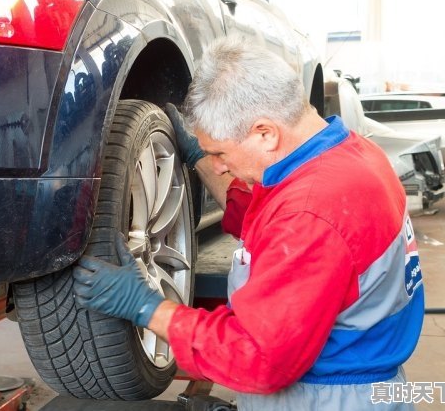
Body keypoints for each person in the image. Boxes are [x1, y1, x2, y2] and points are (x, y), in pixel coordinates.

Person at [73, 38, 424, 410]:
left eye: (220, 153)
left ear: (265, 133)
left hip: (326, 398)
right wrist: (201, 158)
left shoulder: (310, 214)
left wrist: (148, 307)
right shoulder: (352, 153)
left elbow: (259, 358)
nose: (220, 165)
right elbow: (270, 218)